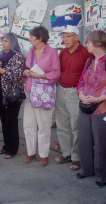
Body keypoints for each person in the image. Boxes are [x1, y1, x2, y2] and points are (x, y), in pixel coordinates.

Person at [23, 26, 60, 167]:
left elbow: (56, 73)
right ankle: (30, 152)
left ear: (40, 38)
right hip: (30, 91)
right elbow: (27, 67)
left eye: (32, 37)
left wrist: (41, 75)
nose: (30, 39)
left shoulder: (52, 52)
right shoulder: (31, 52)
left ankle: (44, 154)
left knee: (44, 125)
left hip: (44, 93)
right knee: (28, 124)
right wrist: (26, 72)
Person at [55, 25, 91, 170]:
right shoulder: (62, 52)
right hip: (61, 90)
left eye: (68, 36)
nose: (65, 39)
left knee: (76, 125)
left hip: (75, 92)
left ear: (76, 37)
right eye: (63, 36)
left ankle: (76, 157)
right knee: (62, 124)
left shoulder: (85, 52)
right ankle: (66, 153)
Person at [76, 30, 106, 188]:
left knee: (101, 143)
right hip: (85, 107)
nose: (86, 44)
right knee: (84, 140)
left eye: (88, 42)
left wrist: (98, 98)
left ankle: (102, 174)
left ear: (98, 43)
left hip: (101, 109)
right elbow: (81, 81)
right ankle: (86, 169)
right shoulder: (89, 61)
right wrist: (80, 93)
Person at [0, 33, 25, 159]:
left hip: (12, 92)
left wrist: (1, 70)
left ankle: (12, 149)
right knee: (4, 120)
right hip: (1, 89)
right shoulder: (1, 54)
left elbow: (16, 76)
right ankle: (6, 145)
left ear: (12, 42)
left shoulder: (18, 56)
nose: (3, 43)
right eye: (2, 41)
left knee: (11, 121)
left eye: (6, 41)